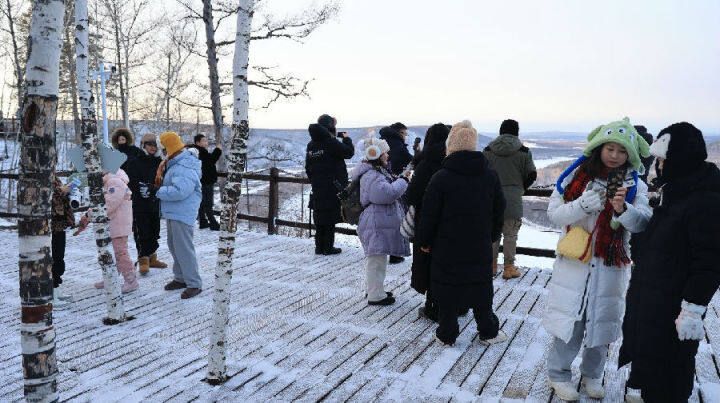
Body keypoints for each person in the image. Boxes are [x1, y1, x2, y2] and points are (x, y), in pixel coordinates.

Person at [543, 118, 652, 401]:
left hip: (609, 267)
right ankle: (558, 375)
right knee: (571, 324)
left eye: (622, 151)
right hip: (575, 265)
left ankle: (593, 375)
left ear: (630, 155)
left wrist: (623, 209)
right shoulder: (576, 175)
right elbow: (554, 214)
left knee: (601, 326)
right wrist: (581, 205)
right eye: (610, 149)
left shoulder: (634, 184)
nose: (615, 156)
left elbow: (642, 223)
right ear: (599, 147)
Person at [619, 122, 720, 403]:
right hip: (656, 299)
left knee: (671, 369)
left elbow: (710, 262)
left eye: (662, 159)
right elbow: (660, 238)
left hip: (673, 306)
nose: (658, 165)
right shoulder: (676, 192)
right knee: (655, 360)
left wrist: (691, 309)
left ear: (679, 160)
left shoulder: (705, 202)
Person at [415, 120, 507, 346]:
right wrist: (493, 235)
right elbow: (499, 209)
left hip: (446, 246)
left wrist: (424, 241)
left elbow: (429, 214)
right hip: (479, 244)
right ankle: (488, 331)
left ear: (451, 147)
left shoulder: (441, 177)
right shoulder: (489, 175)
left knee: (446, 289)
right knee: (482, 287)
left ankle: (447, 334)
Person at [352, 137, 411, 306]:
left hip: (376, 220)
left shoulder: (373, 172)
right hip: (375, 222)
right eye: (384, 152)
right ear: (375, 154)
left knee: (378, 259)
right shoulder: (372, 174)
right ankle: (375, 295)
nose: (387, 155)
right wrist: (404, 180)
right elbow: (385, 194)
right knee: (376, 260)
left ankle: (375, 290)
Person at [406, 123, 451, 321]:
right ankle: (456, 304)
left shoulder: (425, 163)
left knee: (430, 263)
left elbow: (412, 195)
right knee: (451, 263)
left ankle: (433, 306)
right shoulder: (452, 160)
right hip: (452, 222)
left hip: (427, 221)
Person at [483, 119, 537, 279]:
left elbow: (482, 174)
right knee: (510, 235)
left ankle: (491, 266)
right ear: (516, 132)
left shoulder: (487, 150)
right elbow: (532, 174)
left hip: (491, 199)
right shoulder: (524, 151)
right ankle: (508, 267)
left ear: (500, 132)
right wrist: (521, 188)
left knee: (493, 235)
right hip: (513, 199)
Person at [156, 131, 203, 299]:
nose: (161, 151)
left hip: (182, 212)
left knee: (184, 248)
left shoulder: (184, 166)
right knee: (174, 246)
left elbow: (181, 191)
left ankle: (194, 283)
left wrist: (158, 191)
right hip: (174, 211)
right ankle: (181, 278)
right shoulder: (175, 163)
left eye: (163, 148)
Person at [305, 114, 354, 255]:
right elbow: (349, 152)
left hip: (318, 186)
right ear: (330, 127)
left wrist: (315, 180)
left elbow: (308, 167)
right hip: (333, 186)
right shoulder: (330, 142)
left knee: (320, 216)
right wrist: (346, 139)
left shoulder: (311, 144)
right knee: (330, 217)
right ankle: (328, 247)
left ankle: (319, 247)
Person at [90, 168, 139, 294]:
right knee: (110, 252)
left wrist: (91, 214)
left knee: (120, 252)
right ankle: (111, 278)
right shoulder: (108, 181)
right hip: (112, 223)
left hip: (118, 223)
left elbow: (109, 204)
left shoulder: (115, 182)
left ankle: (131, 281)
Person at [124, 133, 167, 275]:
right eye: (149, 145)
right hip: (139, 203)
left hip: (154, 201)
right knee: (141, 231)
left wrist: (155, 189)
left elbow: (163, 180)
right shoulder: (135, 161)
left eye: (155, 145)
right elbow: (129, 180)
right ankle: (143, 259)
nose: (153, 148)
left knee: (154, 230)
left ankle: (152, 258)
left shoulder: (159, 162)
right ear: (143, 146)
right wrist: (139, 188)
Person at [380, 122, 413, 265]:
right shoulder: (398, 146)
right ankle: (395, 254)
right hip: (398, 186)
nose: (406, 137)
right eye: (405, 134)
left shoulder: (382, 142)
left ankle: (385, 251)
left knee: (387, 220)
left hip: (383, 185)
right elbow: (412, 161)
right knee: (399, 220)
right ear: (399, 133)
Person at [51, 177, 76, 306]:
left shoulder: (53, 177)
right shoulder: (41, 176)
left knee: (59, 257)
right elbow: (50, 198)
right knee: (54, 258)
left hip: (60, 224)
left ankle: (56, 290)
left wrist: (68, 190)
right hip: (51, 225)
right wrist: (62, 191)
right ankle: (52, 293)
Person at [189, 134, 222, 230]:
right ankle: (213, 223)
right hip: (205, 181)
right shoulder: (200, 152)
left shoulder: (196, 151)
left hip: (201, 180)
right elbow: (211, 160)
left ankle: (203, 222)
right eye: (204, 141)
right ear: (198, 142)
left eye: (206, 140)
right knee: (208, 202)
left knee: (202, 202)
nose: (206, 142)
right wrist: (218, 149)